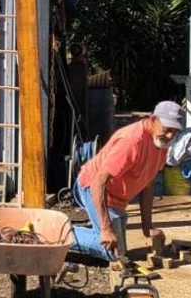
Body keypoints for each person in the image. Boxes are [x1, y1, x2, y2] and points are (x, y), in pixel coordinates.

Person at [72, 100, 183, 261]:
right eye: (167, 129)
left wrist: (147, 227)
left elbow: (148, 184)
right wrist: (105, 228)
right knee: (112, 252)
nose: (171, 135)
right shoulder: (132, 142)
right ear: (153, 120)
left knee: (119, 249)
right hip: (95, 188)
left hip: (117, 199)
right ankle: (58, 232)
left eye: (175, 131)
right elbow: (98, 182)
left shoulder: (162, 144)